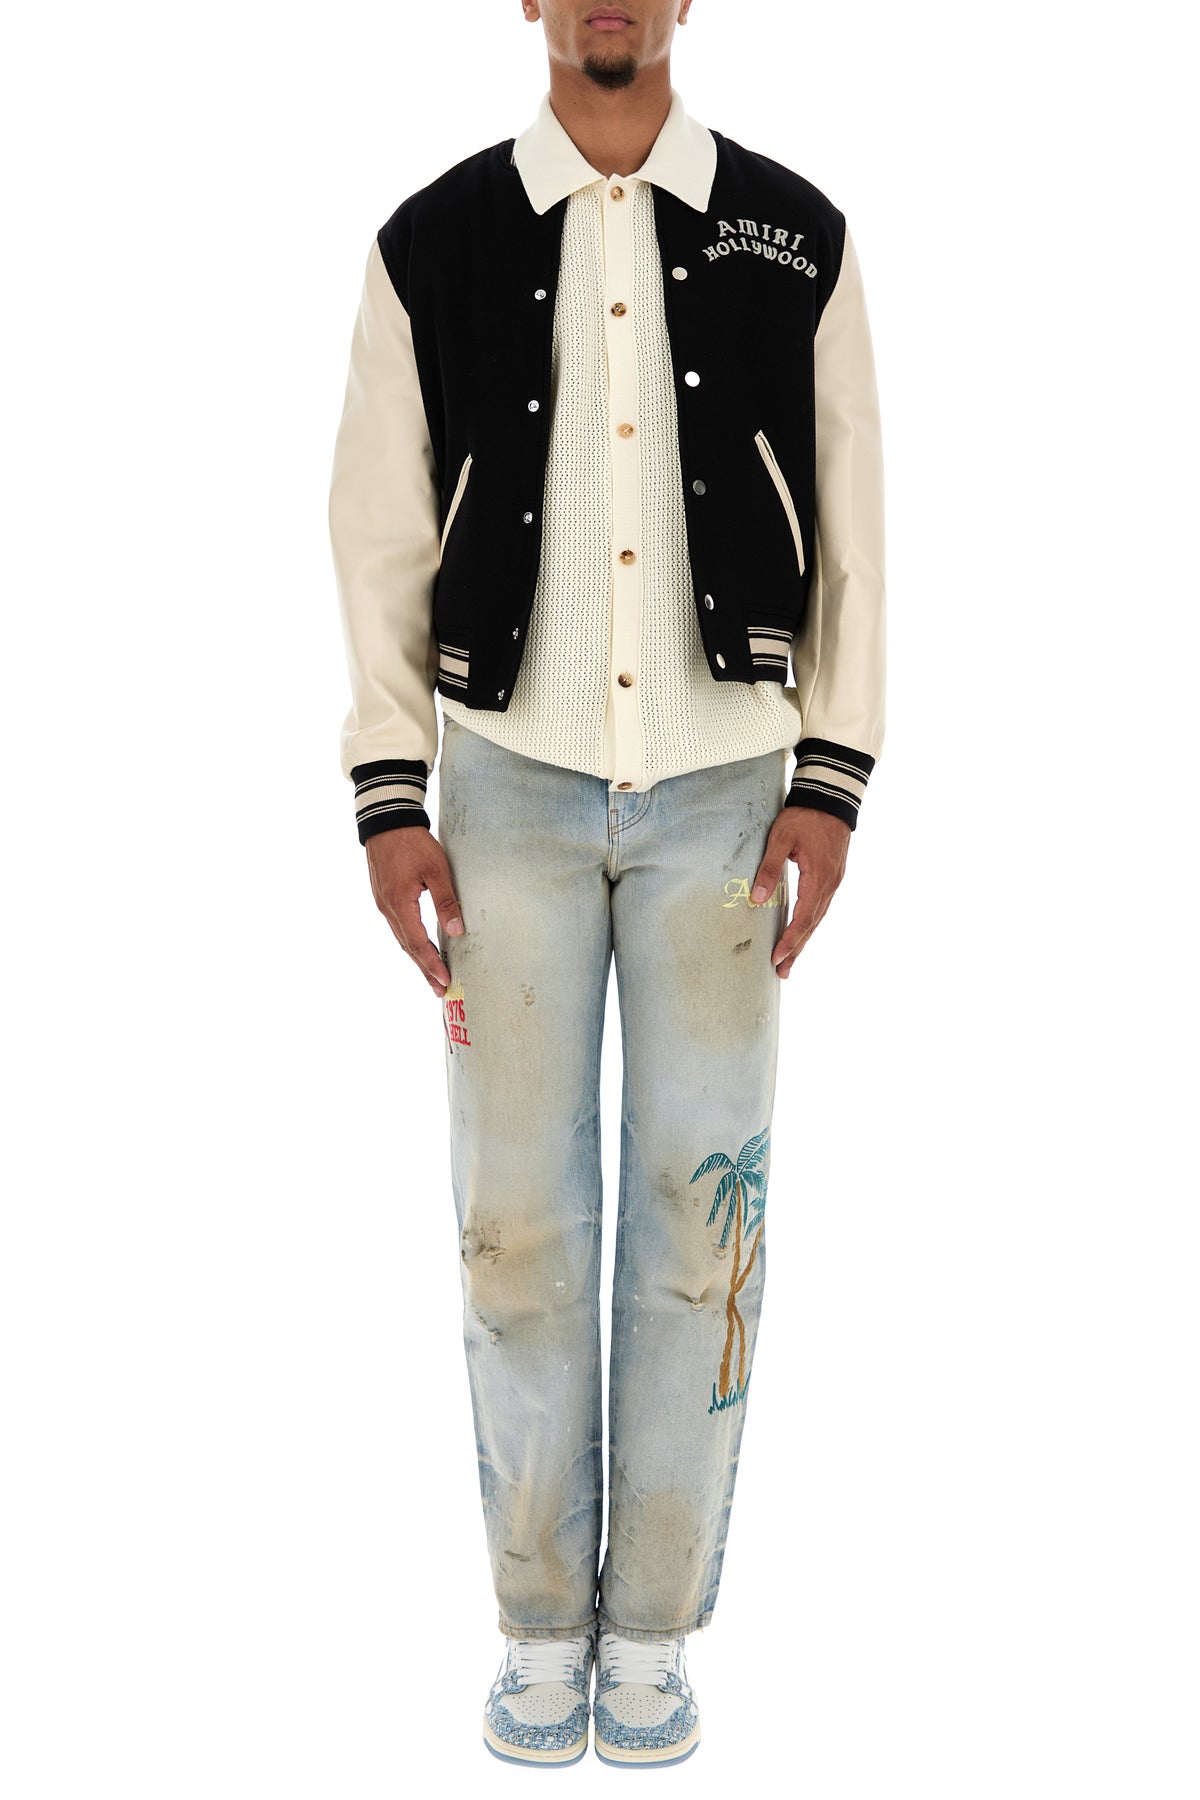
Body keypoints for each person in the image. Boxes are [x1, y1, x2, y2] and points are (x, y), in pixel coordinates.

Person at [327, 0, 885, 1769]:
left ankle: (650, 1627)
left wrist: (832, 776)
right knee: (517, 1233)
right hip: (504, 798)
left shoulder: (794, 232)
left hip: (730, 801)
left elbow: (857, 518)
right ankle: (529, 1619)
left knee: (700, 1228)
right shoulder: (433, 242)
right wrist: (390, 790)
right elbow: (378, 529)